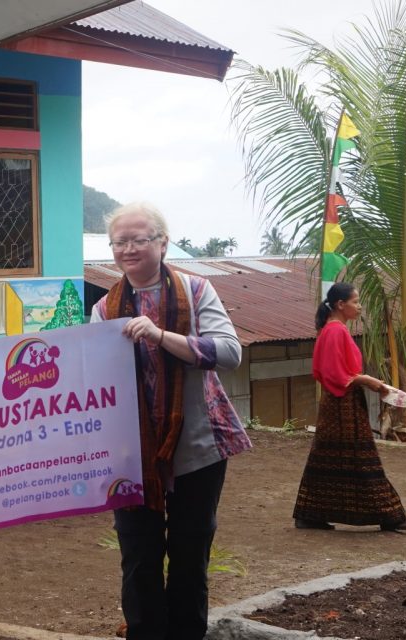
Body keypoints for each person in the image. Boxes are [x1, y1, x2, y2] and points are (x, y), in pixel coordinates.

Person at [90, 202, 252, 640]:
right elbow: (97, 383)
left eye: (138, 239)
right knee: (138, 558)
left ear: (162, 243)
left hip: (198, 447)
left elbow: (230, 353)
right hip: (133, 455)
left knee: (188, 555)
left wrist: (161, 336)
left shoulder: (197, 291)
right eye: (119, 241)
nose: (128, 249)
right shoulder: (106, 309)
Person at [292, 283, 406, 532]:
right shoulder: (335, 331)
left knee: (328, 457)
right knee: (362, 458)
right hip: (342, 404)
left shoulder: (333, 330)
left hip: (340, 403)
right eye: (355, 301)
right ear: (341, 305)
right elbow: (334, 374)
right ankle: (390, 515)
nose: (359, 306)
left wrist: (366, 381)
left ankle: (311, 514)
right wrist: (367, 380)